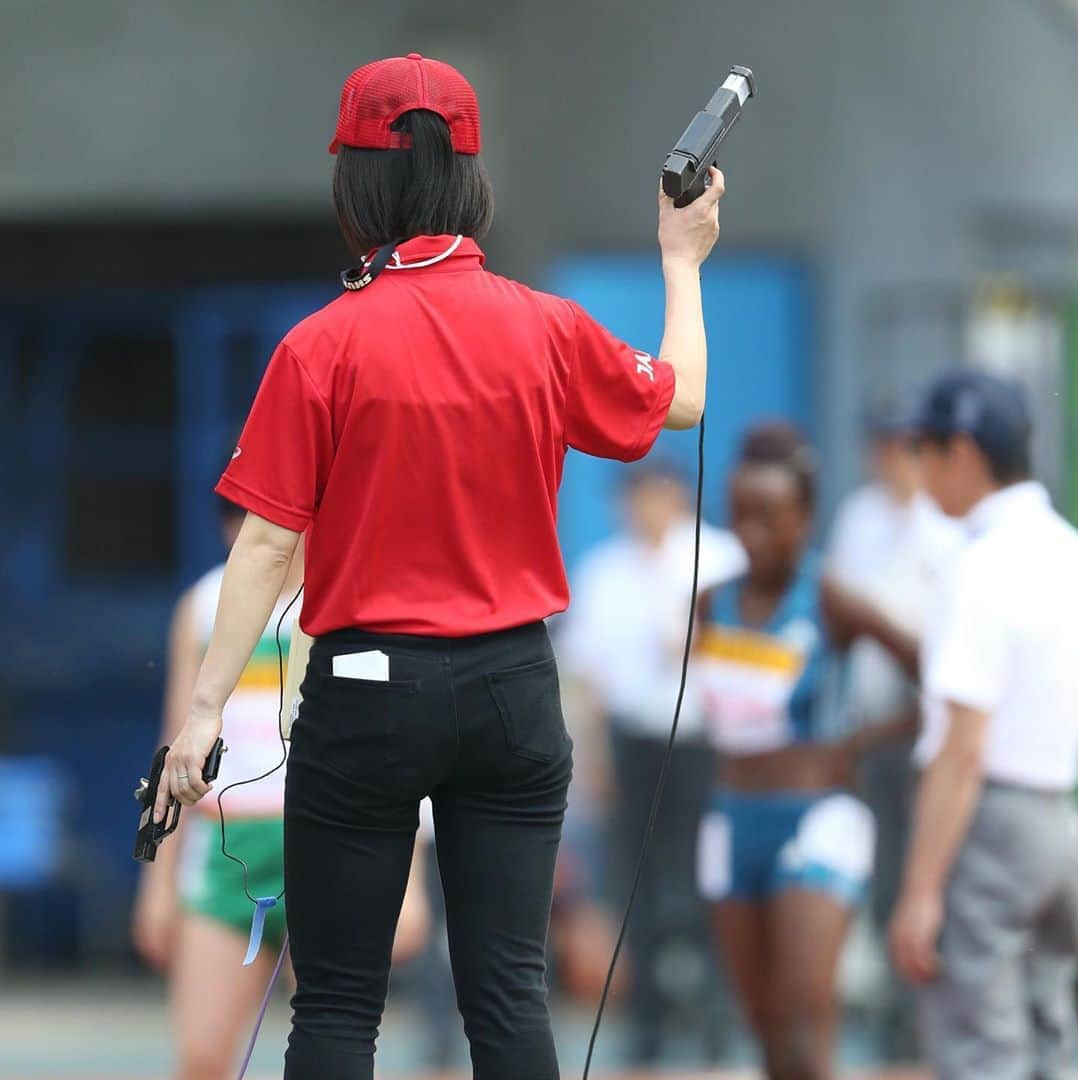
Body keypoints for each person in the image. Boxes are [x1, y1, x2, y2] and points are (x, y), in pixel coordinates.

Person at [153, 52, 724, 1080]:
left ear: (355, 182)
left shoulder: (321, 348)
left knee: (337, 1005)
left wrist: (202, 715)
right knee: (509, 997)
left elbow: (271, 545)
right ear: (470, 176)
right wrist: (680, 258)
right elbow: (676, 399)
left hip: (369, 688)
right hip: (513, 684)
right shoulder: (543, 325)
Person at [131, 498, 431, 1080]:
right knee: (200, 1057)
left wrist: (411, 883)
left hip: (329, 845)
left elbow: (396, 748)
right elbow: (173, 743)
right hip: (228, 858)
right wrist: (156, 882)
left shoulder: (356, 604)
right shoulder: (201, 607)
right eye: (235, 517)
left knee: (332, 1050)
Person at [884, 371, 1078, 1078]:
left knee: (980, 1049)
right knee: (1047, 1035)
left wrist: (920, 890)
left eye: (924, 450)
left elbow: (963, 749)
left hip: (989, 825)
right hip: (1056, 818)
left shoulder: (979, 565)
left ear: (960, 452)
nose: (919, 469)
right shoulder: (1067, 547)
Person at [695, 422, 879, 1080]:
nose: (751, 533)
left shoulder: (827, 596)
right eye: (740, 516)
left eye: (770, 518)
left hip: (815, 819)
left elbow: (934, 668)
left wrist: (856, 742)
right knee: (767, 1030)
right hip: (732, 819)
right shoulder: (711, 599)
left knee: (804, 1018)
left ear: (804, 517)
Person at [559, 460, 745, 1064]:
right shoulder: (605, 572)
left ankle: (715, 1023)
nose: (641, 509)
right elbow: (588, 679)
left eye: (652, 496)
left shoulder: (718, 559)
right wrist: (591, 764)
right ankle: (649, 1028)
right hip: (633, 740)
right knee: (634, 883)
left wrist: (698, 640)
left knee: (704, 880)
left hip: (704, 741)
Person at [825, 407, 961, 1057]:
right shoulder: (859, 517)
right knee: (884, 873)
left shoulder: (942, 528)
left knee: (931, 868)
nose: (890, 464)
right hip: (875, 724)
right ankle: (899, 1016)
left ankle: (929, 1014)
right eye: (881, 451)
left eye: (902, 451)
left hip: (929, 724)